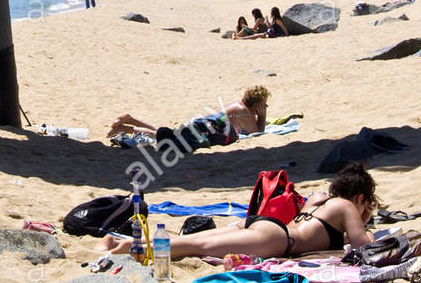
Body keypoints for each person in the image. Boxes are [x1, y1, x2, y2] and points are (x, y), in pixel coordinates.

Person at [102, 163, 379, 259]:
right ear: (359, 197)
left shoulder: (319, 199)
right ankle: (130, 247)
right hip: (277, 239)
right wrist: (364, 221)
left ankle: (122, 241)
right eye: (366, 205)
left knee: (200, 242)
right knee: (196, 245)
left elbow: (324, 236)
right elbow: (362, 245)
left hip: (264, 226)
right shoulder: (346, 206)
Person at [107, 85, 270, 142]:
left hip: (201, 124)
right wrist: (262, 116)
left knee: (165, 133)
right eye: (263, 103)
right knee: (164, 137)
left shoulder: (240, 105)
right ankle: (126, 129)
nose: (266, 105)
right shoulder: (244, 112)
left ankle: (132, 120)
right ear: (257, 103)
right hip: (202, 129)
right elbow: (257, 133)